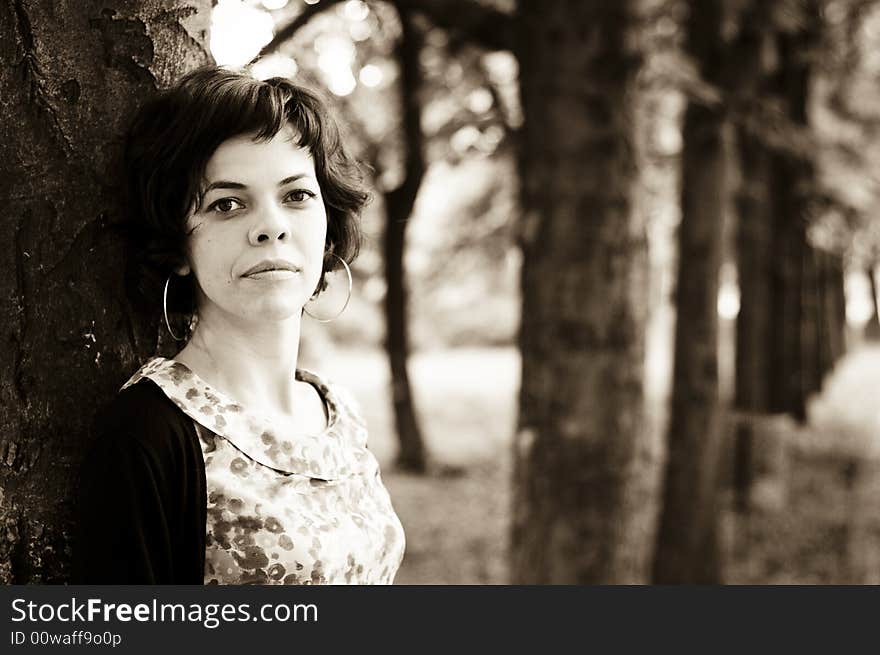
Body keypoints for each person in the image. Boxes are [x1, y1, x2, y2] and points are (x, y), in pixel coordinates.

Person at [73, 66, 406, 585]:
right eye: (227, 204)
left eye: (296, 196)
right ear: (177, 243)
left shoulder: (338, 411)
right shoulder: (147, 436)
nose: (271, 226)